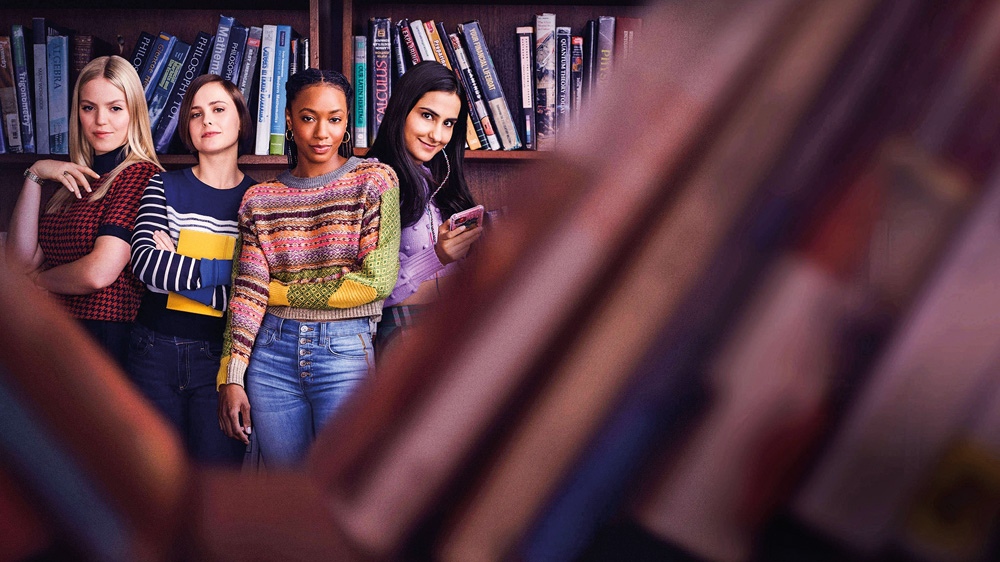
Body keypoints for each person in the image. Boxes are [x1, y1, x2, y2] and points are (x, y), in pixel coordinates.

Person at [216, 68, 401, 468]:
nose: (322, 132)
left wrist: (278, 291)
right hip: (269, 356)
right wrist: (232, 376)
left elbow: (376, 282)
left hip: (345, 352)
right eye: (308, 117)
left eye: (334, 119)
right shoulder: (260, 199)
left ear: (347, 121)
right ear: (288, 119)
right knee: (288, 491)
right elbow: (246, 293)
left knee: (343, 485)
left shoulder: (375, 180)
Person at [127, 75, 256, 465]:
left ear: (240, 122)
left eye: (219, 110)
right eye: (196, 114)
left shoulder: (258, 200)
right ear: (186, 128)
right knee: (154, 481)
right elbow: (146, 266)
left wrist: (180, 267)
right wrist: (229, 270)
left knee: (216, 483)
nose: (207, 121)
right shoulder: (162, 186)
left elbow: (254, 288)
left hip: (219, 361)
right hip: (152, 350)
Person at [6, 55, 162, 368]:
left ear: (135, 112)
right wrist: (35, 174)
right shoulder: (73, 181)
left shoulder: (139, 175)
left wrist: (39, 281)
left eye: (115, 108)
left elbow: (98, 273)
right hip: (56, 330)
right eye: (88, 107)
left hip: (106, 334)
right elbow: (20, 260)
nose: (100, 120)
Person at [366, 61, 484, 357]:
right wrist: (438, 256)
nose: (437, 135)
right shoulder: (371, 179)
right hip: (406, 332)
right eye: (427, 116)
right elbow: (366, 291)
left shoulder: (436, 178)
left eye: (448, 123)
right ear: (401, 110)